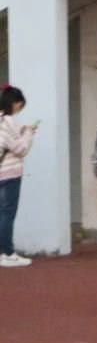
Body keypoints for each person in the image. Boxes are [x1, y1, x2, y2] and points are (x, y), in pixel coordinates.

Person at [0, 85, 36, 267]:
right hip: (9, 173)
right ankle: (7, 253)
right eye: (20, 105)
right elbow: (20, 148)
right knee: (7, 213)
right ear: (14, 103)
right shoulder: (6, 121)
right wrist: (28, 133)